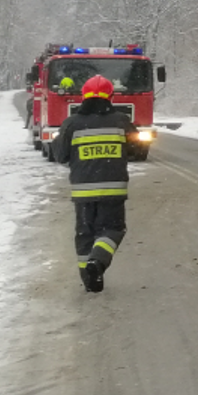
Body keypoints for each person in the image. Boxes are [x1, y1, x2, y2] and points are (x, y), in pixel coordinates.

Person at [51, 75, 134, 293]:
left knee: (84, 234)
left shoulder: (72, 124)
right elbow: (135, 150)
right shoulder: (121, 121)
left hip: (83, 192)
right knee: (112, 229)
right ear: (111, 96)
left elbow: (60, 155)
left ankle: (90, 281)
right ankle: (96, 262)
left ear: (82, 96)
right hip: (113, 191)